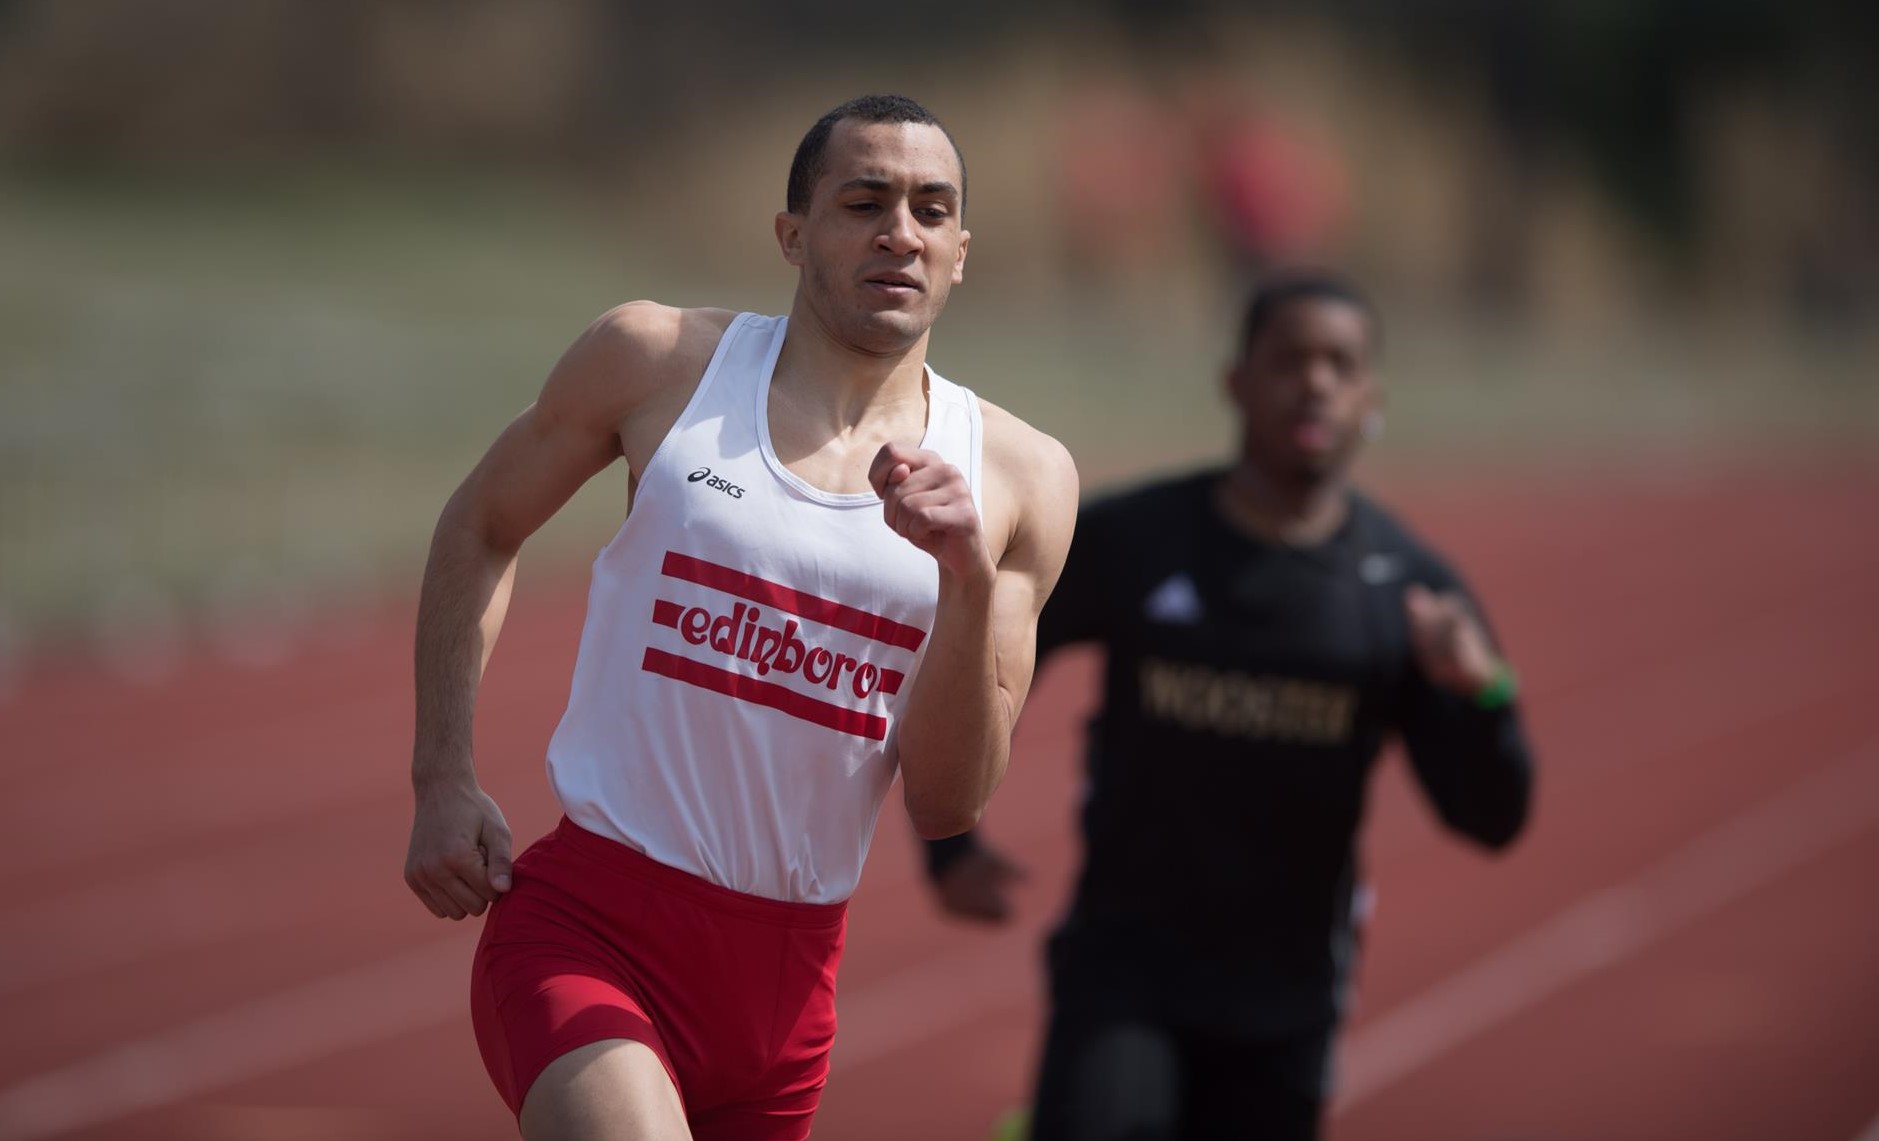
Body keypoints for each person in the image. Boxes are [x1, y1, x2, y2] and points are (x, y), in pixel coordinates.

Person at [402, 94, 1078, 1141]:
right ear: (792, 235)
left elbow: (948, 799)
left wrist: (966, 579)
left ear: (960, 252)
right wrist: (441, 774)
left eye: (931, 210)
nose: (900, 231)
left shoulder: (1020, 479)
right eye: (865, 201)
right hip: (592, 930)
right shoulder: (658, 363)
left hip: (787, 994)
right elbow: (482, 525)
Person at [924, 272, 1534, 1141]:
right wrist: (950, 841)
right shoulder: (1135, 539)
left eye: (1339, 364)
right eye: (1290, 359)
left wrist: (1482, 695)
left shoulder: (1408, 592)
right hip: (1124, 971)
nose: (1314, 382)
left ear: (1370, 397)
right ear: (1236, 381)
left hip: (1286, 998)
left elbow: (1491, 817)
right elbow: (986, 656)